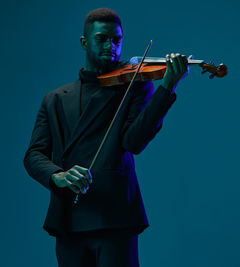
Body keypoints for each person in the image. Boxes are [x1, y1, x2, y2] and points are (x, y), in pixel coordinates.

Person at [23, 7, 188, 267]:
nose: (111, 46)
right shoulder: (54, 99)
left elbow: (133, 142)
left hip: (115, 215)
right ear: (84, 42)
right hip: (69, 218)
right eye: (101, 39)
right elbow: (34, 155)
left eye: (116, 40)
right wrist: (60, 176)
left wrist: (167, 87)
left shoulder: (135, 84)